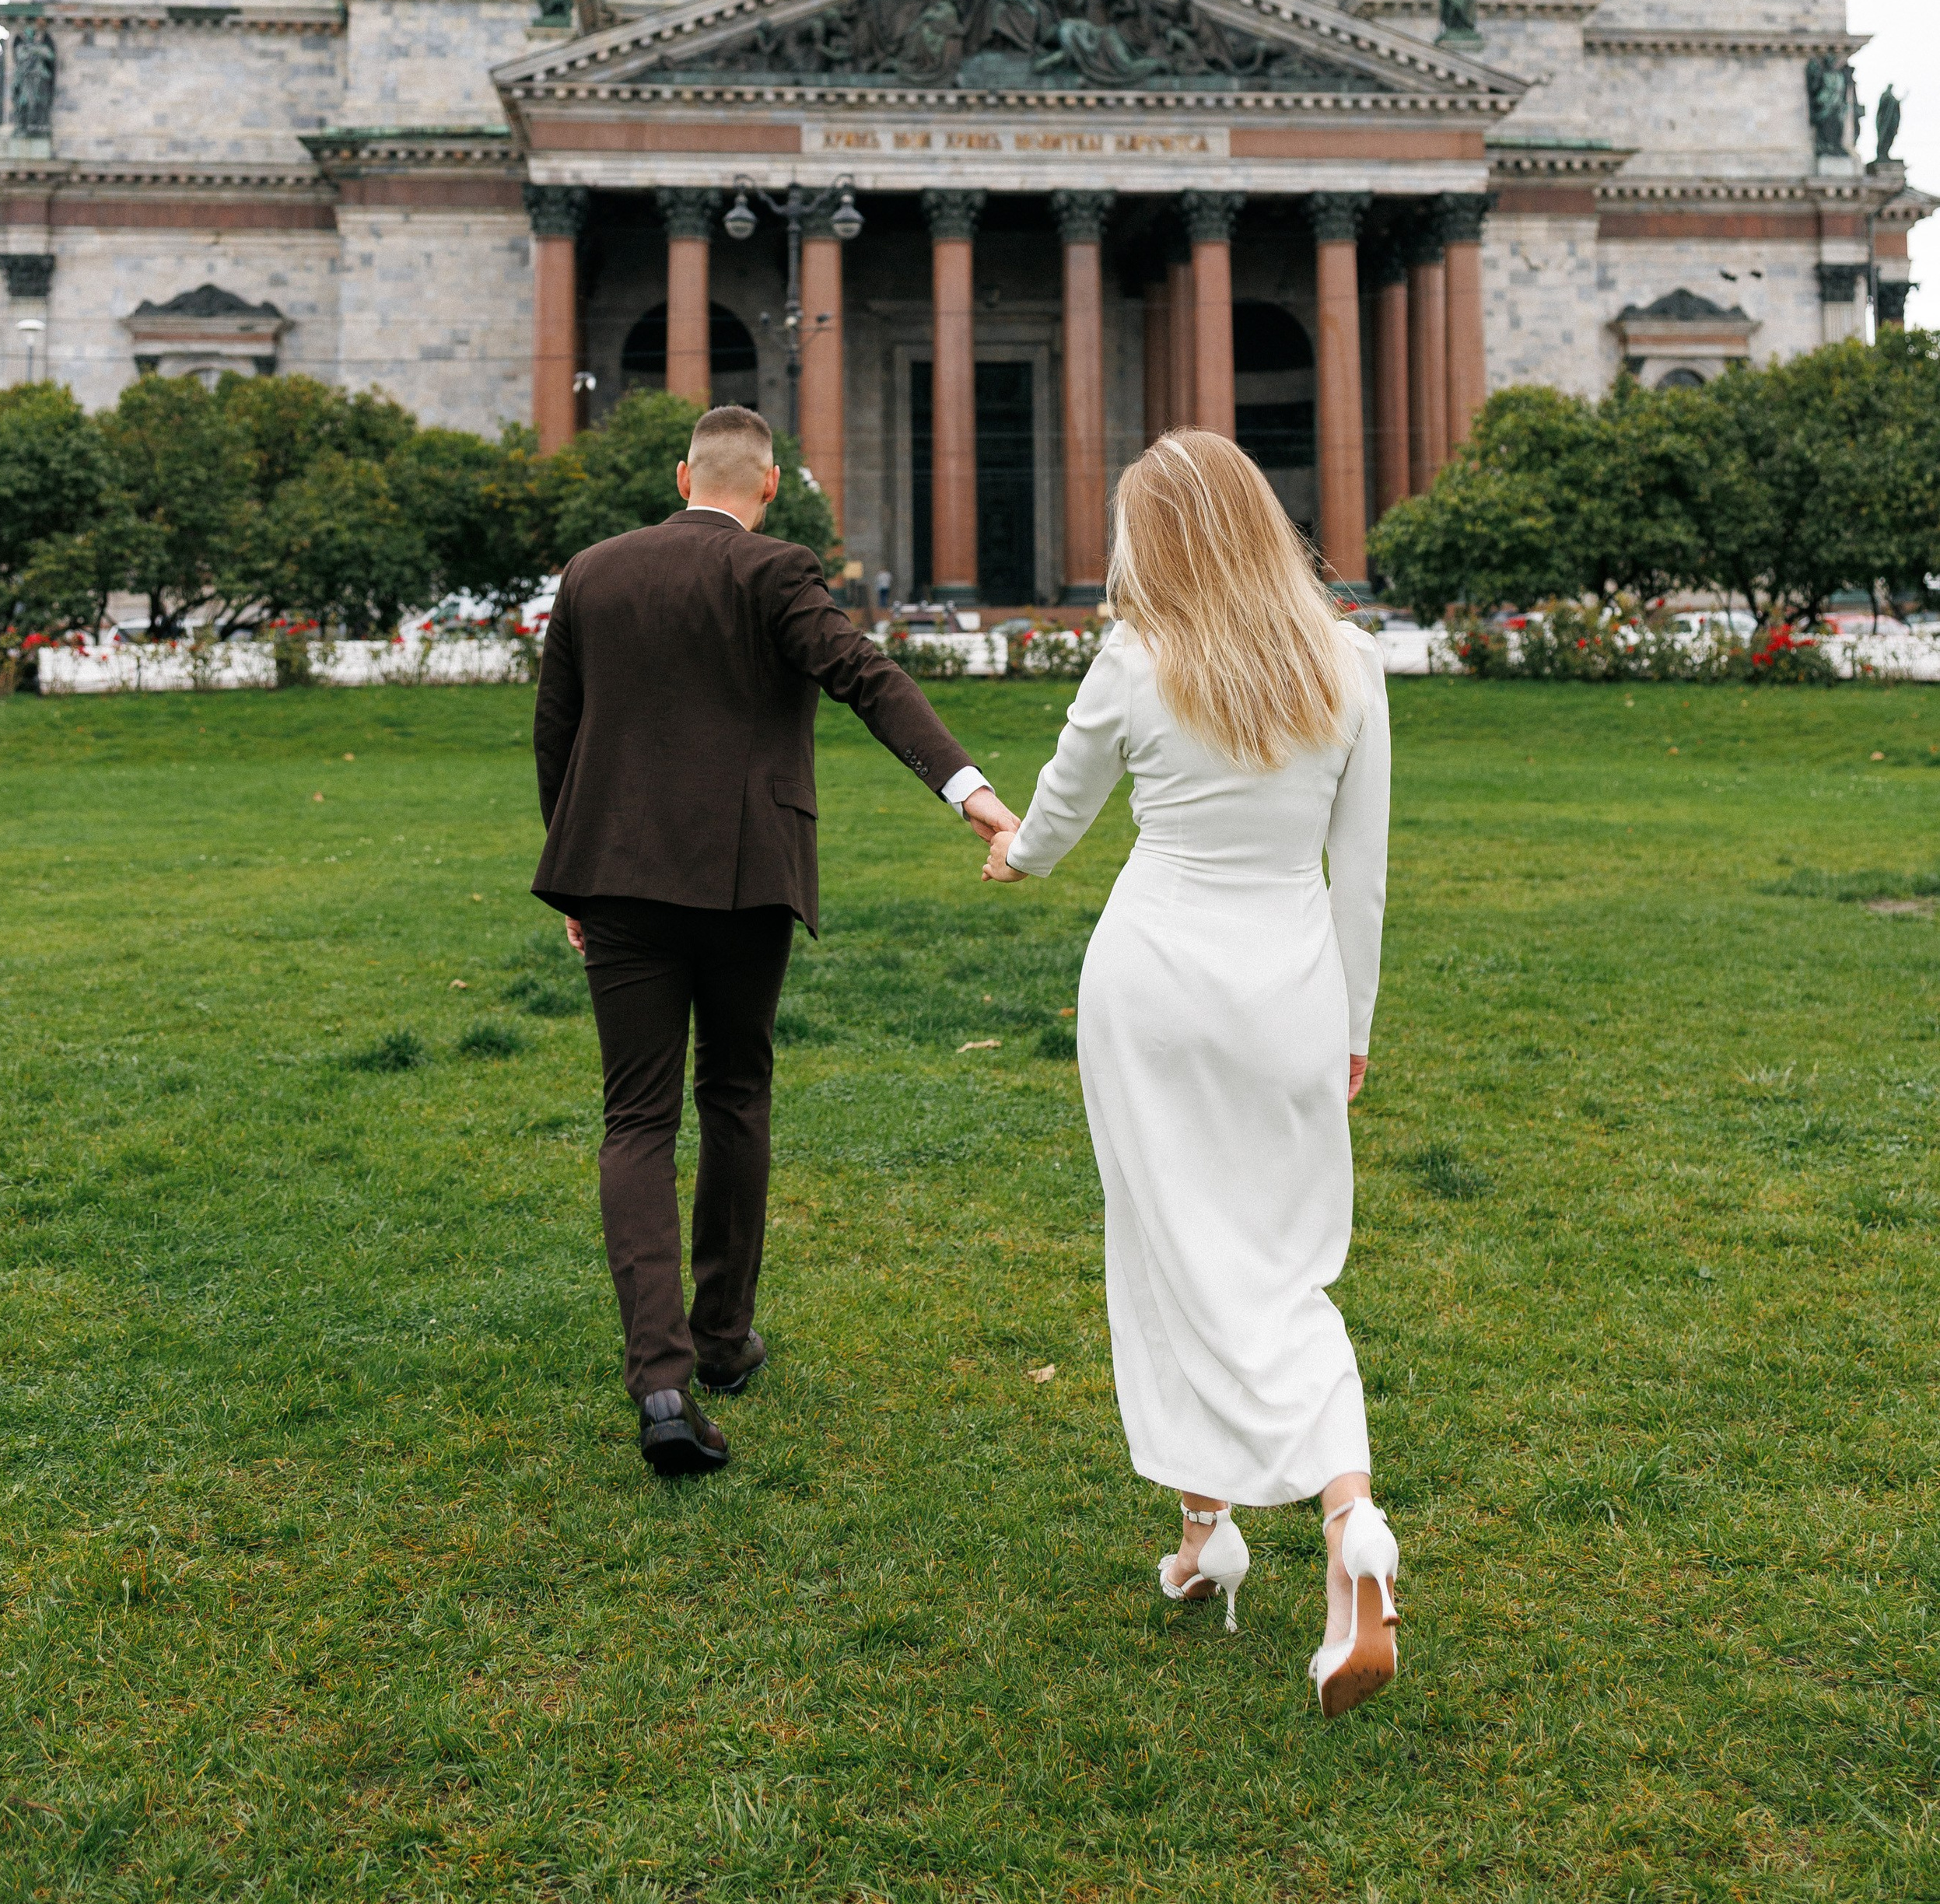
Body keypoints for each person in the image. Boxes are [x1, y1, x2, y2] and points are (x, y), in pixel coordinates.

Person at [982, 429, 1399, 1715]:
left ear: (1148, 540)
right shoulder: (1354, 664)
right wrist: (1354, 1029)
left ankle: (1209, 1523)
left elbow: (1054, 822)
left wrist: (1010, 854)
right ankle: (1345, 1519)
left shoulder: (1134, 659)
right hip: (1290, 988)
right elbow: (1362, 884)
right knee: (1281, 1260)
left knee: (1165, 1244)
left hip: (1152, 979)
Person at [533, 402, 1017, 1480]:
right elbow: (867, 678)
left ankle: (660, 1380)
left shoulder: (594, 572)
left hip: (612, 874)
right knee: (736, 1093)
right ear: (769, 485)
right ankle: (722, 1341)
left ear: (681, 473)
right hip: (748, 878)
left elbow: (556, 731)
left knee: (636, 1118)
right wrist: (972, 795)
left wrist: (573, 869)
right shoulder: (775, 570)